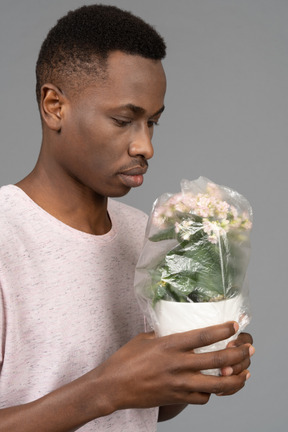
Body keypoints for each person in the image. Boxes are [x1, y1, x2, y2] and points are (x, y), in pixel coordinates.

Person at [0, 4, 254, 431]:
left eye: (152, 123)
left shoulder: (146, 234)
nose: (146, 147)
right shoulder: (6, 237)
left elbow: (144, 406)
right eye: (124, 120)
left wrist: (198, 366)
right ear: (54, 106)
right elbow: (112, 394)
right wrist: (106, 389)